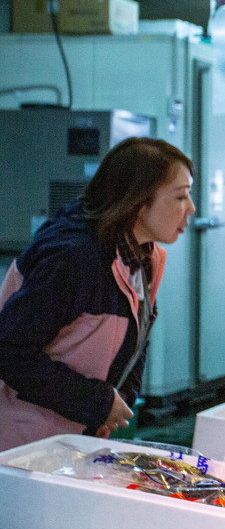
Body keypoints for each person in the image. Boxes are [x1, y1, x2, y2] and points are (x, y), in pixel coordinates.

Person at [0, 137, 195, 451]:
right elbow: (10, 352)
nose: (191, 209)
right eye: (181, 197)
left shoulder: (145, 257)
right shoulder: (74, 258)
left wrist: (119, 401)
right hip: (22, 447)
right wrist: (100, 403)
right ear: (139, 202)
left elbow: (135, 336)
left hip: (72, 442)